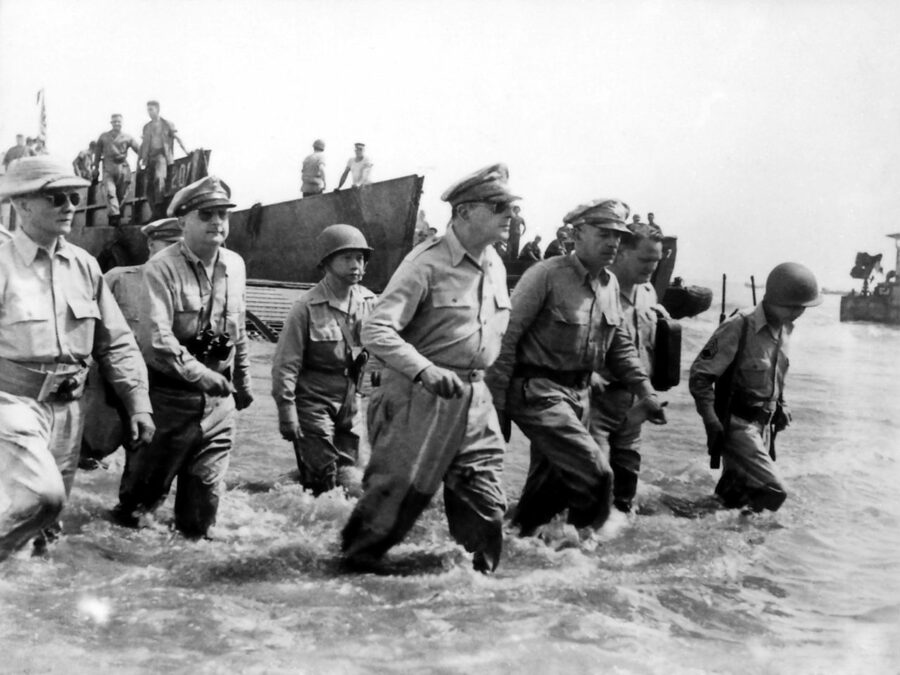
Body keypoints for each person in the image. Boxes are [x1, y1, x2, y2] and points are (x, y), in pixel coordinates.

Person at [341, 163, 517, 573]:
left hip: (475, 399)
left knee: (487, 504)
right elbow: (376, 329)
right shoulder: (426, 264)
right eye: (498, 206)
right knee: (392, 506)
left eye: (510, 206)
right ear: (464, 212)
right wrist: (423, 370)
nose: (509, 215)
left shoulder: (495, 265)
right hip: (420, 396)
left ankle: (478, 596)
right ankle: (347, 583)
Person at [0, 156, 154, 562]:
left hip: (69, 409)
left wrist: (138, 403)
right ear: (21, 205)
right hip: (12, 404)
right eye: (56, 197)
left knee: (48, 525)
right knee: (41, 497)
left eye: (73, 196)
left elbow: (115, 342)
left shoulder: (85, 266)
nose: (70, 205)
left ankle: (29, 603)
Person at [486, 199, 666, 539]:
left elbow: (619, 346)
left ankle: (510, 547)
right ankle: (586, 552)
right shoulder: (545, 275)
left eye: (617, 235)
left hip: (580, 397)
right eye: (603, 233)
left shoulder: (610, 284)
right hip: (538, 393)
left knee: (547, 493)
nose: (613, 242)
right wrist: (496, 404)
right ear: (576, 234)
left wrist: (646, 392)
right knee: (598, 474)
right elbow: (506, 337)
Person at [113, 176, 253, 538]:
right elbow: (156, 340)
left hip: (219, 405)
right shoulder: (161, 268)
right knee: (138, 512)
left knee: (200, 519)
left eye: (223, 214)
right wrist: (201, 375)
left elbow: (238, 331)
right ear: (183, 222)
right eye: (206, 215)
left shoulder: (235, 266)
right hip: (167, 401)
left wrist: (244, 381)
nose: (217, 223)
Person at [689, 262, 822, 513]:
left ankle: (710, 536)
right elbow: (700, 376)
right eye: (795, 308)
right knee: (773, 491)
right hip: (738, 425)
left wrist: (781, 405)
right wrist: (710, 419)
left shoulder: (785, 329)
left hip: (763, 425)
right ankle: (742, 539)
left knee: (734, 499)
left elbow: (776, 373)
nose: (799, 313)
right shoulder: (740, 325)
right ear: (780, 301)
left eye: (803, 308)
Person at [272, 224, 376, 495]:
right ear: (326, 263)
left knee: (354, 478)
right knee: (322, 482)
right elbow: (286, 365)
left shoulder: (370, 303)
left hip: (352, 405)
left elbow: (384, 356)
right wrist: (287, 412)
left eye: (360, 258)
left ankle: (285, 485)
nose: (356, 265)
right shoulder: (305, 307)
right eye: (347, 258)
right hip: (313, 405)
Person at [79, 218, 184, 470]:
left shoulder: (187, 288)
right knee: (90, 453)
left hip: (160, 390)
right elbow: (87, 330)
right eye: (168, 244)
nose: (175, 253)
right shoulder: (118, 279)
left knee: (145, 465)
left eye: (181, 246)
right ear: (150, 243)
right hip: (113, 386)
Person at [589, 221, 669, 513]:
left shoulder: (648, 292)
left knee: (625, 485)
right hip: (597, 402)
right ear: (621, 252)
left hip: (634, 405)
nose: (651, 267)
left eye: (656, 261)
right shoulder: (595, 291)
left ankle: (613, 543)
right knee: (593, 481)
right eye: (645, 259)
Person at [140, 100, 189, 219]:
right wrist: (140, 159)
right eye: (148, 110)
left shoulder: (167, 124)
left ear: (157, 109)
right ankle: (155, 212)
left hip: (161, 156)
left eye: (151, 109)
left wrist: (187, 151)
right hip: (149, 158)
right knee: (148, 188)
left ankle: (160, 209)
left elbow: (177, 138)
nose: (149, 112)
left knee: (159, 178)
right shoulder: (146, 127)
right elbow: (143, 144)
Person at [94, 114, 140, 227]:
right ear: (111, 123)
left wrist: (144, 161)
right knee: (110, 192)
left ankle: (115, 217)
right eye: (114, 122)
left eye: (119, 122)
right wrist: (95, 168)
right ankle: (114, 216)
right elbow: (98, 153)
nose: (117, 124)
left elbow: (139, 150)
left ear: (122, 123)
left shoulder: (127, 137)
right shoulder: (103, 137)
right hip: (108, 167)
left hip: (123, 168)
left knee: (122, 194)